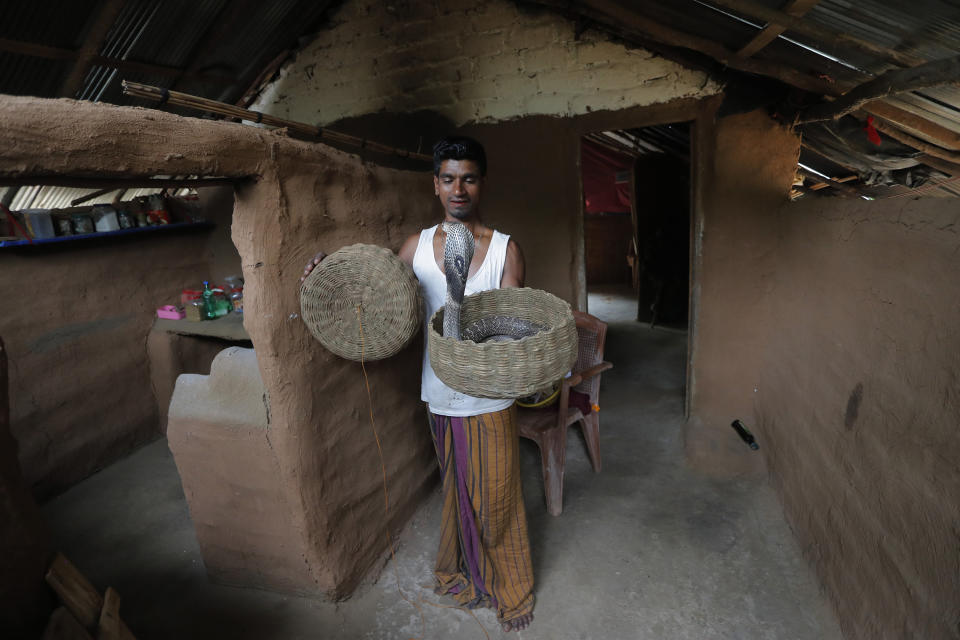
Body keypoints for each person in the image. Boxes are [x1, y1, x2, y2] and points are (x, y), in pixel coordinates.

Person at [300, 137, 534, 632]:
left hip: (490, 396)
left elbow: (515, 321)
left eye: (468, 177)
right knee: (457, 489)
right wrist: (328, 274)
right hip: (440, 395)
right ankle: (462, 572)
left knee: (498, 496)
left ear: (481, 183)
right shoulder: (416, 248)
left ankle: (513, 591)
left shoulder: (505, 250)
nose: (458, 188)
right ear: (435, 185)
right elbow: (375, 290)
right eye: (448, 178)